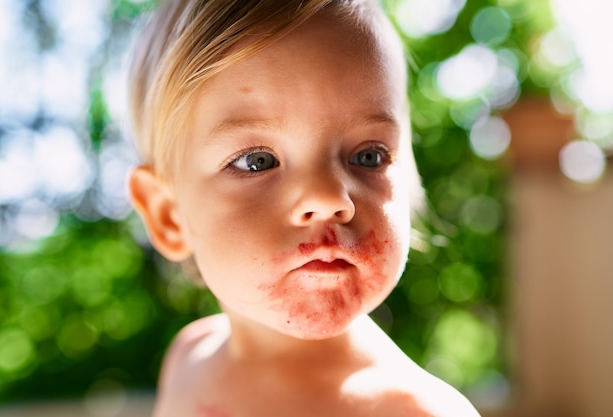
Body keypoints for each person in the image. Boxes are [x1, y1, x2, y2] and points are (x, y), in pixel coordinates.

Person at [127, 0, 481, 415]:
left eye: (368, 157)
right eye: (257, 161)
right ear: (168, 215)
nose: (329, 198)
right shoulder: (189, 359)